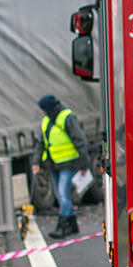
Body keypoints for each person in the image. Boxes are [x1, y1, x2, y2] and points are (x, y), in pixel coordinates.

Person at [36, 94, 82, 238]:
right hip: (54, 163)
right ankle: (73, 224)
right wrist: (35, 161)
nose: (41, 112)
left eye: (43, 109)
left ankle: (62, 226)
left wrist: (84, 163)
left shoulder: (66, 117)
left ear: (48, 108)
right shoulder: (46, 121)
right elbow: (41, 143)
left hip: (69, 162)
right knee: (61, 194)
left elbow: (79, 139)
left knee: (63, 194)